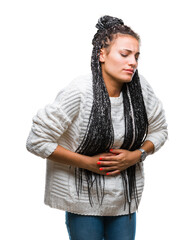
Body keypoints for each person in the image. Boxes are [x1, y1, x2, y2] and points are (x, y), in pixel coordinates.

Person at [26, 15, 168, 240]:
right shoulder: (80, 91)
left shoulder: (141, 92)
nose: (132, 62)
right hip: (82, 201)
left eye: (136, 56)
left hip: (124, 201)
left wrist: (137, 155)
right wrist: (87, 163)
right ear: (102, 55)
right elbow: (37, 140)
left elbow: (160, 131)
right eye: (124, 54)